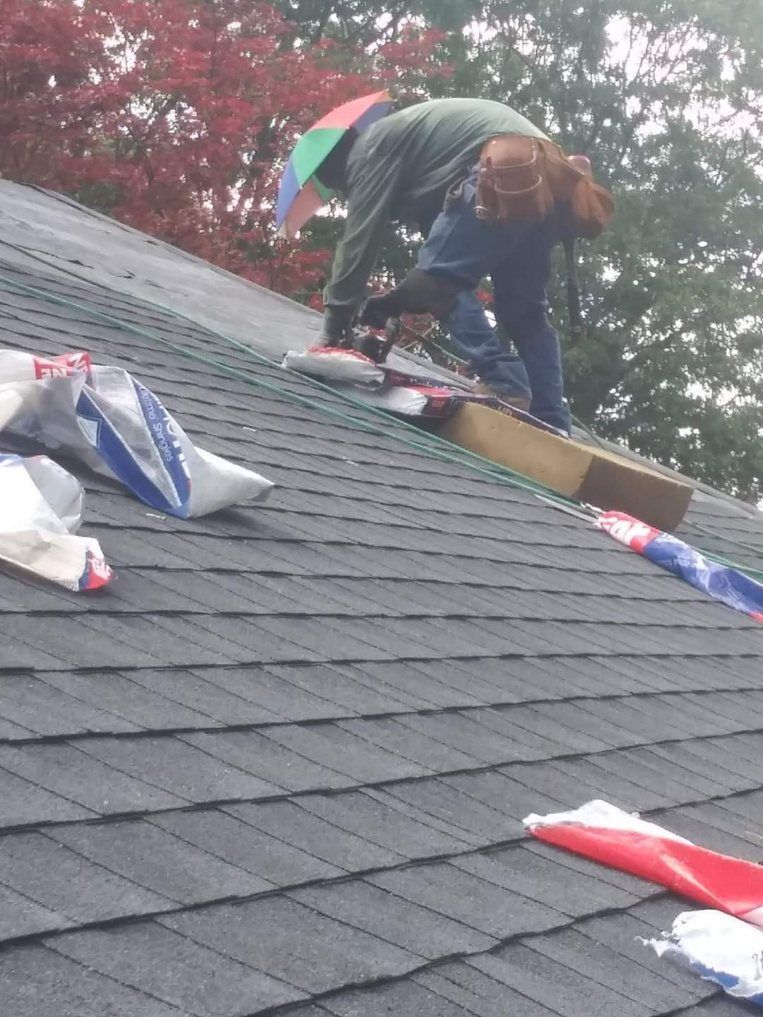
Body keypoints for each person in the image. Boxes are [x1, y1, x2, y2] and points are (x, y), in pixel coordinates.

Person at [315, 97, 614, 433]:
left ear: (335, 167)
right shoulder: (425, 152)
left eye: (336, 187)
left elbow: (361, 241)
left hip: (500, 168)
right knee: (524, 312)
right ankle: (551, 420)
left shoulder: (367, 153)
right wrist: (394, 304)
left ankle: (503, 380)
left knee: (439, 285)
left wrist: (334, 326)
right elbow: (446, 240)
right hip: (546, 181)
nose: (344, 194)